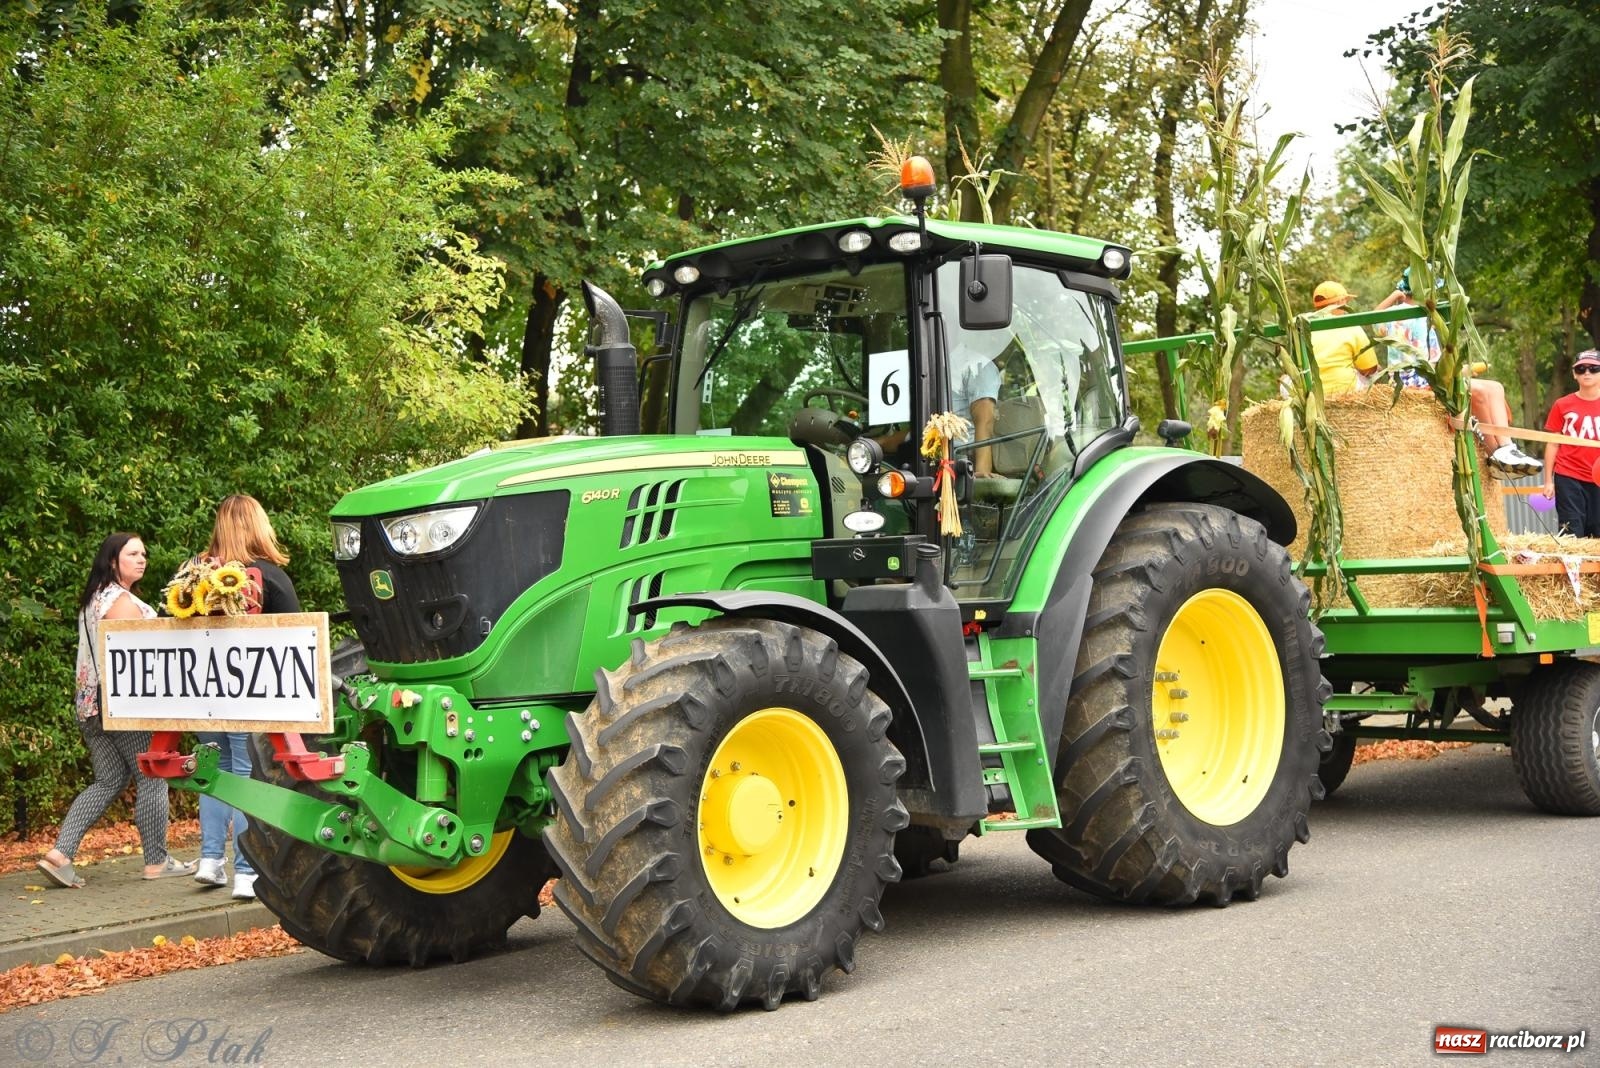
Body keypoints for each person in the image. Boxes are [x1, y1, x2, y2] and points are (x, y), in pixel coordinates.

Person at [37, 534, 196, 889]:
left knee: (109, 780)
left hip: (91, 705)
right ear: (113, 561)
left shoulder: (94, 599)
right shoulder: (119, 601)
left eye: (144, 553)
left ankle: (60, 854)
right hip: (124, 706)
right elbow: (142, 656)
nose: (142, 559)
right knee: (151, 775)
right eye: (133, 554)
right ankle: (157, 861)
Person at [191, 495, 301, 900]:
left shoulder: (197, 575)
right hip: (250, 692)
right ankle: (245, 871)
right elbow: (295, 630)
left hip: (202, 693)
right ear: (259, 526)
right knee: (245, 776)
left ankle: (209, 861)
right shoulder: (267, 576)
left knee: (214, 773)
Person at [1542, 350, 1600, 536]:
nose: (1587, 373)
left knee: (1596, 531)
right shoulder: (1562, 404)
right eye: (1581, 369)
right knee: (1571, 531)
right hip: (1568, 475)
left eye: (1593, 368)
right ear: (1574, 374)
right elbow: (1552, 444)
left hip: (1598, 477)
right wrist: (1548, 481)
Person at [1308, 281, 1382, 396]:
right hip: (1345, 389)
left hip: (1312, 392)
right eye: (1346, 301)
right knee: (1376, 373)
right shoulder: (1350, 326)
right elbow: (1370, 369)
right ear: (1340, 302)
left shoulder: (1304, 327)